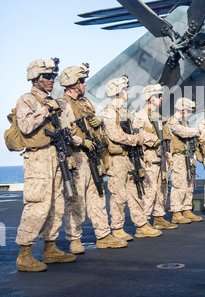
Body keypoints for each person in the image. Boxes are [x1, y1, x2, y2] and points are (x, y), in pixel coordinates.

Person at [57, 64, 127, 254]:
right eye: (81, 81)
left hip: (92, 156)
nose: (84, 84)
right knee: (76, 200)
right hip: (76, 156)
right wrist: (81, 141)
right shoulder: (63, 104)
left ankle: (103, 235)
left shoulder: (86, 103)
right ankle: (74, 239)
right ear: (72, 83)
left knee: (98, 195)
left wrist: (98, 123)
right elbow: (63, 133)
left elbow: (94, 127)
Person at [15, 58, 76, 272]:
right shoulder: (27, 100)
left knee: (56, 205)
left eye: (53, 76)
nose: (52, 80)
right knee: (37, 205)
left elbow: (68, 130)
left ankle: (50, 248)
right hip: (38, 159)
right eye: (47, 76)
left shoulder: (55, 102)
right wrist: (45, 110)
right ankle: (25, 254)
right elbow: (25, 126)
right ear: (35, 78)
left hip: (56, 155)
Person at [100, 76, 162, 241]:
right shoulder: (108, 112)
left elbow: (136, 132)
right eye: (125, 90)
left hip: (129, 158)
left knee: (135, 193)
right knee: (119, 196)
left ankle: (141, 225)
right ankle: (117, 228)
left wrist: (152, 140)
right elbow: (115, 135)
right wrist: (136, 140)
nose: (128, 92)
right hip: (116, 159)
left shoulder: (126, 112)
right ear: (117, 92)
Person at [133, 84, 177, 230]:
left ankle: (158, 217)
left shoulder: (159, 117)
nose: (161, 98)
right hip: (149, 156)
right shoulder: (140, 115)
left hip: (162, 156)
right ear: (149, 98)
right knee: (149, 189)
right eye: (158, 96)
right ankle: (144, 220)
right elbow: (138, 133)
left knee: (162, 188)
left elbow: (166, 139)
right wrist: (155, 141)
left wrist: (169, 157)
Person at [168, 97, 205, 224]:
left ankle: (187, 209)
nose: (189, 114)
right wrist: (196, 131)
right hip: (178, 157)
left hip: (188, 157)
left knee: (189, 184)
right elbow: (183, 133)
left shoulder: (185, 124)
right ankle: (177, 212)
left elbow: (194, 133)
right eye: (187, 111)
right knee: (178, 185)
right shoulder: (173, 122)